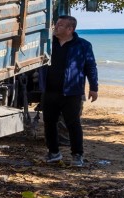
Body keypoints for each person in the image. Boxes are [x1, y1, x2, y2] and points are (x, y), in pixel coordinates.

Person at [39, 15, 98, 167]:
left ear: (70, 29)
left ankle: (77, 155)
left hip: (72, 93)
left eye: (60, 25)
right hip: (50, 91)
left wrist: (93, 88)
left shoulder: (83, 45)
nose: (56, 27)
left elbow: (90, 67)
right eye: (56, 24)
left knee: (73, 125)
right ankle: (53, 153)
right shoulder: (48, 43)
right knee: (49, 123)